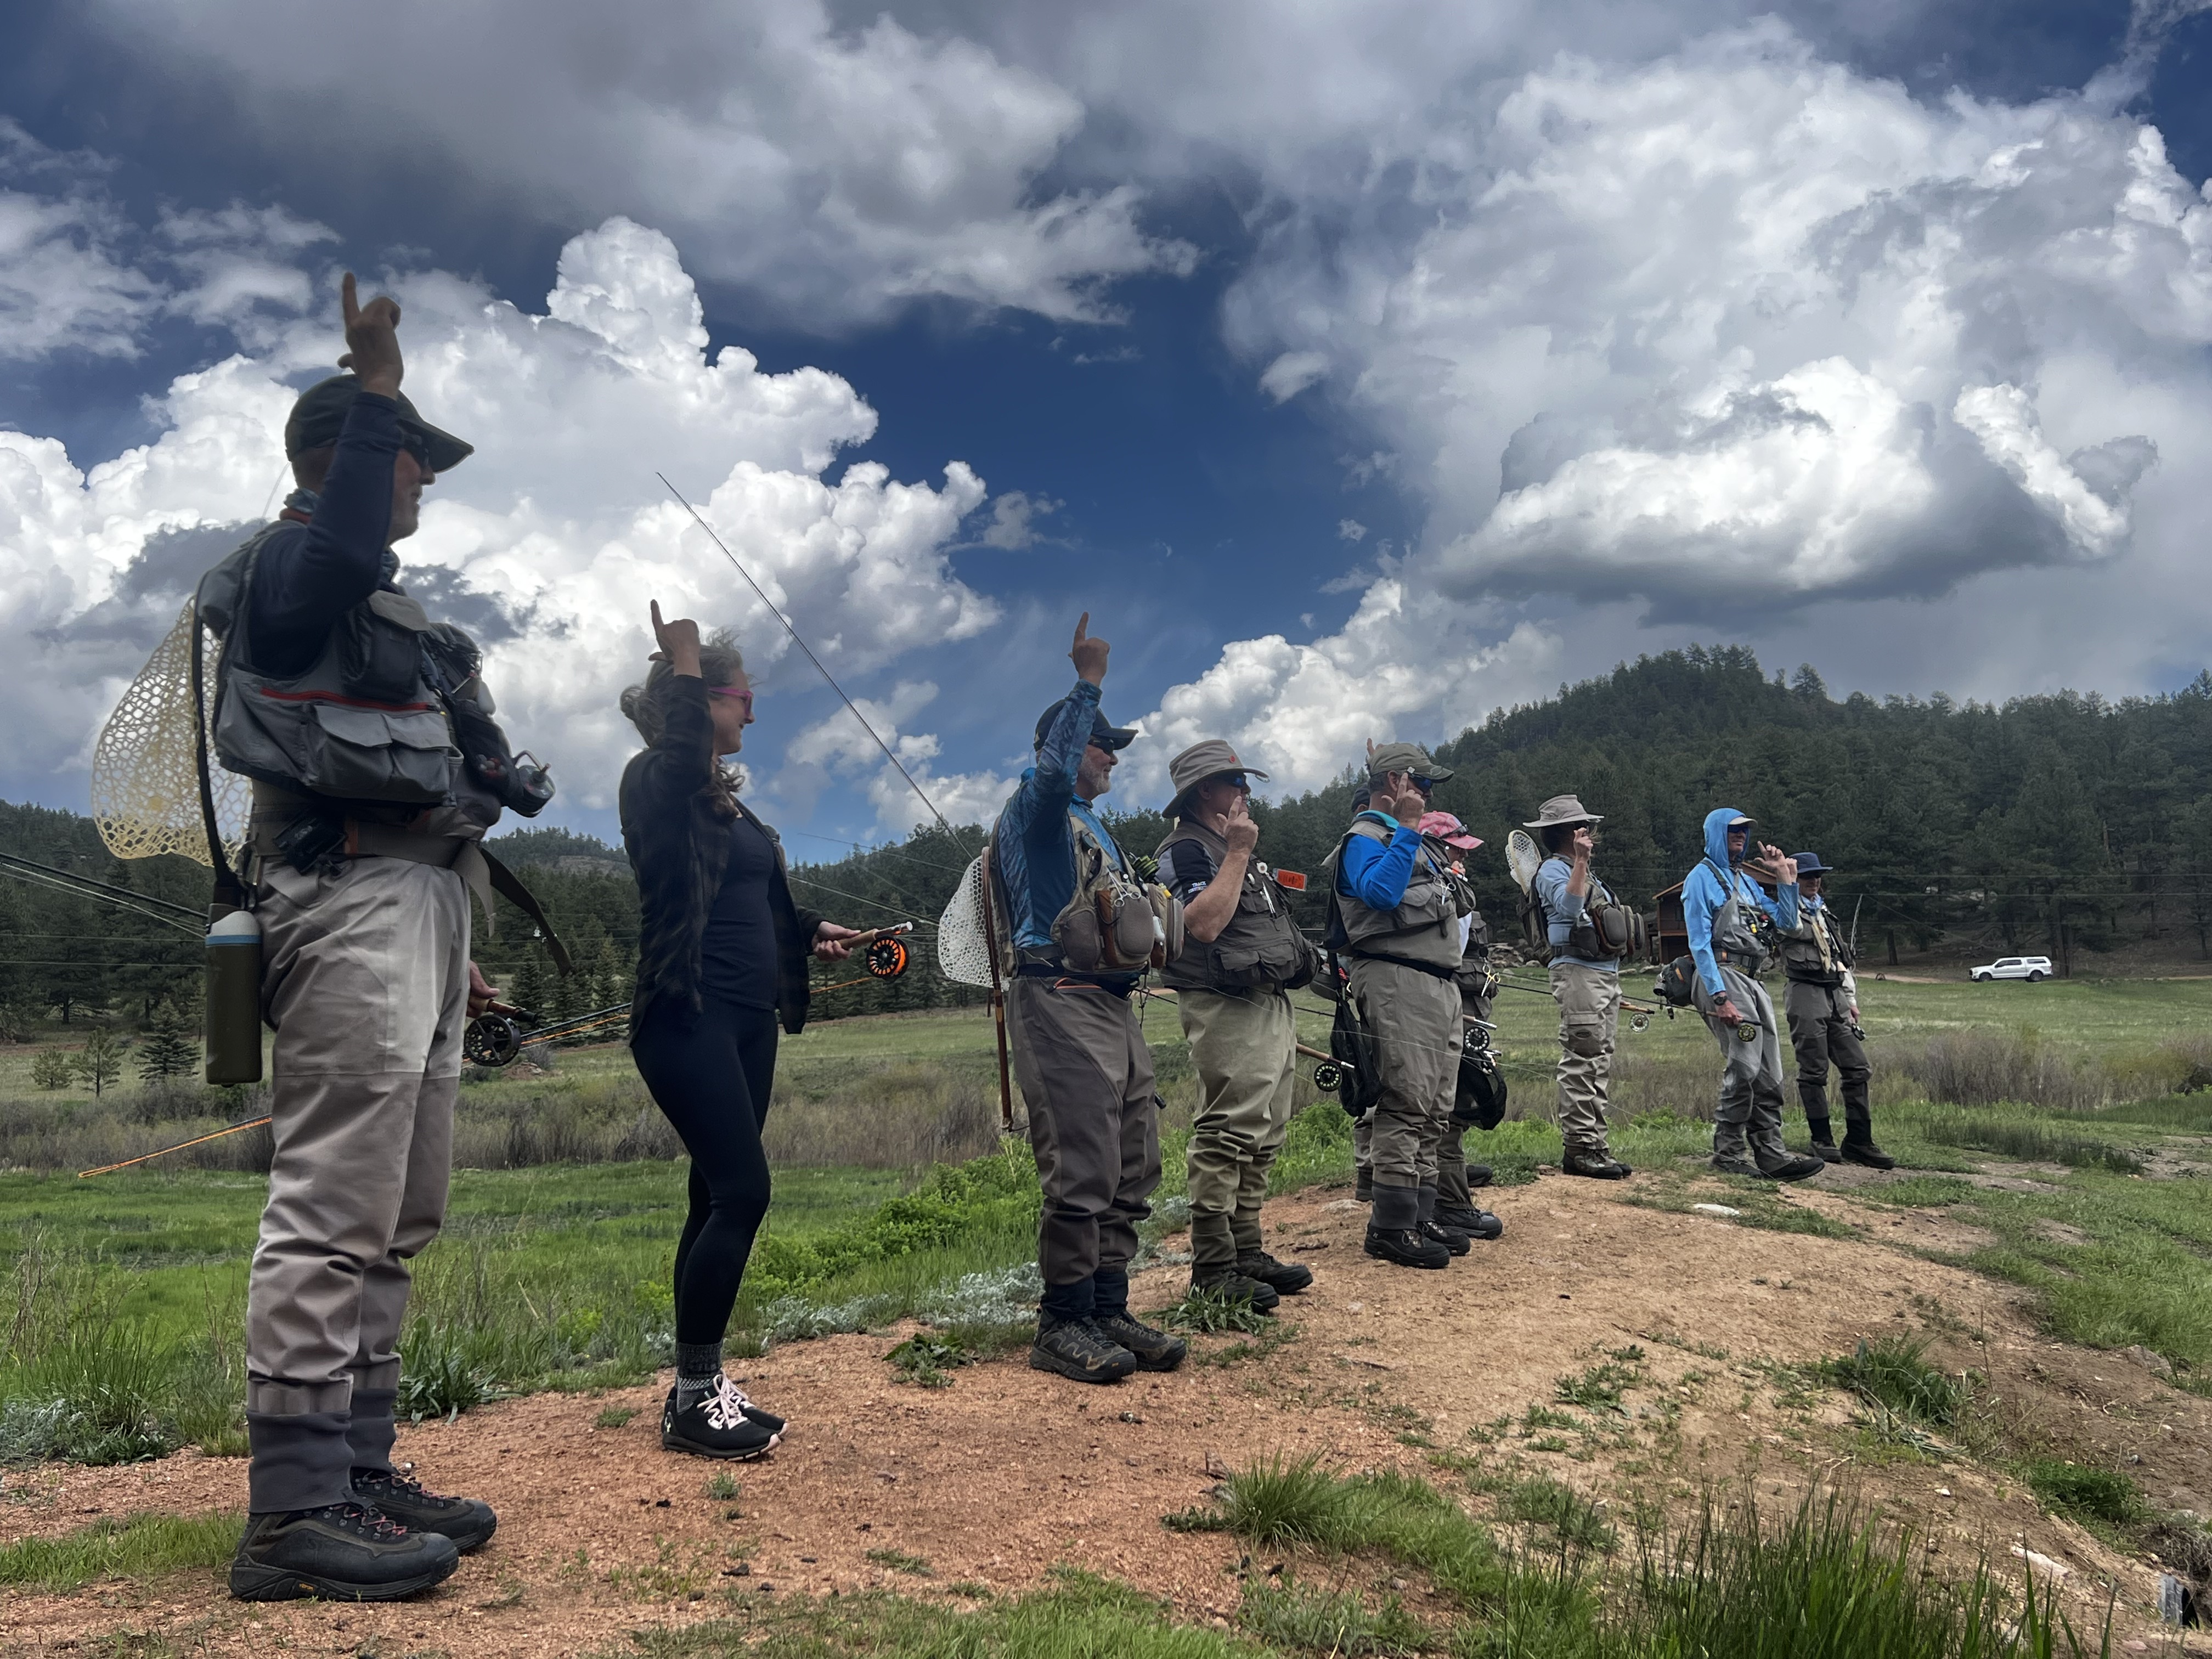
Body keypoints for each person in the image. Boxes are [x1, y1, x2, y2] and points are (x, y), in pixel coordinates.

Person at [218, 278, 523, 1601]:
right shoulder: (292, 569)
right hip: (341, 899)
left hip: (416, 903)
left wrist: (457, 931)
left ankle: (356, 1468)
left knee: (399, 1211)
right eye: (408, 459)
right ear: (342, 460)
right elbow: (339, 548)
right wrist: (379, 383)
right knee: (335, 1201)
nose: (423, 483)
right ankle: (290, 1512)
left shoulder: (386, 614)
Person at [620, 603, 869, 1458]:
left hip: (749, 1021)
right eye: (742, 698)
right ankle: (692, 1398)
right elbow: (684, 745)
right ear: (701, 701)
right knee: (744, 1192)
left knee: (711, 1194)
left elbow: (749, 901)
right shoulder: (654, 780)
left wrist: (807, 933)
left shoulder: (726, 809)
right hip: (684, 1017)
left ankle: (702, 1382)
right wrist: (687, 659)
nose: (753, 713)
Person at [993, 615, 1188, 1383]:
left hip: (1109, 1003)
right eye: (1104, 744)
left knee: (1131, 1162)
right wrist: (1088, 682)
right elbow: (1050, 774)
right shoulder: (1037, 814)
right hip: (1056, 1000)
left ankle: (1108, 1308)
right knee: (1082, 1166)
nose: (1112, 757)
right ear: (1071, 748)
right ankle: (1061, 1322)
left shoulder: (1091, 828)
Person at [1155, 740, 1317, 1313]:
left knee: (1266, 1130)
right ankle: (1213, 1264)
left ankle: (1247, 1250)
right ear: (1206, 792)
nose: (1245, 794)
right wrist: (1239, 854)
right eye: (1236, 784)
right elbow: (1202, 925)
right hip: (1222, 1004)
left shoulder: (1229, 850)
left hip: (1267, 1000)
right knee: (1227, 1132)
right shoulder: (1185, 853)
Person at [1325, 743, 1472, 1269]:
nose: (1428, 793)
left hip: (1437, 980)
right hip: (1394, 978)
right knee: (1407, 1100)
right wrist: (1409, 828)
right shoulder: (1365, 839)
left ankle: (1420, 1211)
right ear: (1393, 781)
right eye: (1422, 783)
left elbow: (1458, 900)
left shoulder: (1407, 843)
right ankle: (1390, 1225)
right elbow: (1382, 896)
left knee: (1435, 1105)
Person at [1681, 810, 1825, 1181]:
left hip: (1755, 979)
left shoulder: (1746, 882)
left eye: (1744, 833)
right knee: (1744, 1067)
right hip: (1724, 976)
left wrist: (1785, 879)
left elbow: (1789, 925)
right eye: (1733, 832)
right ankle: (1728, 1154)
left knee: (1770, 1070)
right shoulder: (1700, 880)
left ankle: (1772, 1154)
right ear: (1715, 834)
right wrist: (1719, 996)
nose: (1741, 838)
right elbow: (1699, 943)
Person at [1525, 796, 1632, 1180]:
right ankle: (1580, 1148)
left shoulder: (1577, 870)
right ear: (1573, 833)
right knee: (1583, 1057)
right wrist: (1582, 863)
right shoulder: (1554, 871)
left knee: (1599, 1059)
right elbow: (1570, 911)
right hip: (1578, 972)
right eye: (1583, 826)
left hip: (1602, 972)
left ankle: (1595, 1145)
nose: (1590, 832)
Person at [1779, 853, 1894, 1169]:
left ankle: (1859, 1140)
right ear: (1794, 880)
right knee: (1813, 1070)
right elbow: (1788, 928)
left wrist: (1850, 999)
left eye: (1818, 876)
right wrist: (1785, 884)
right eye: (1806, 876)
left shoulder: (1825, 913)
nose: (1814, 881)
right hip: (1804, 991)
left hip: (1835, 993)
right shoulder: (1785, 910)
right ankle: (1821, 1139)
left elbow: (1840, 960)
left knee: (1857, 1069)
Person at [1423, 812, 1503, 1238]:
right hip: (1449, 1004)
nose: (1462, 860)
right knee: (1449, 1106)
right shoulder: (1440, 891)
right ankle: (1449, 1201)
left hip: (1461, 1003)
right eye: (1456, 851)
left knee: (1454, 1105)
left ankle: (1445, 1191)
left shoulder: (1450, 889)